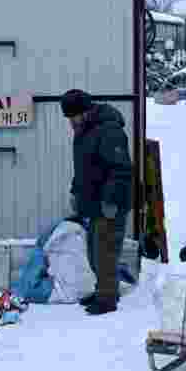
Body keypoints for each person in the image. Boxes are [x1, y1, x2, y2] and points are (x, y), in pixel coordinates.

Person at [60, 89, 133, 316]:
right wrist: (75, 192)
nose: (71, 122)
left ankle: (107, 298)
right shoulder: (85, 131)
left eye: (73, 116)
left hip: (109, 204)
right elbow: (84, 168)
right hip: (94, 204)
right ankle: (103, 289)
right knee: (94, 252)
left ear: (86, 112)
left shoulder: (109, 130)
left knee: (105, 252)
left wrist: (110, 200)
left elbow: (120, 170)